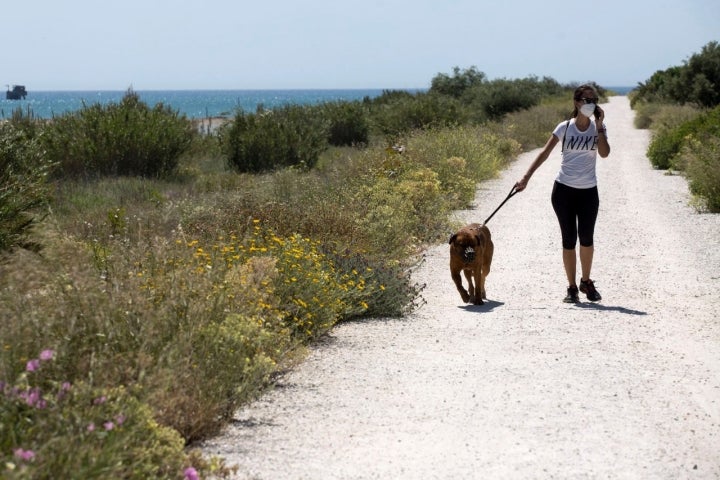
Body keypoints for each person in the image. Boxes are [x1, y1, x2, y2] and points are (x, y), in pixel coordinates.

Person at [515, 84, 611, 303]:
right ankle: (572, 287)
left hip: (589, 191)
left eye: (593, 99)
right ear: (577, 102)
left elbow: (604, 154)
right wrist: (525, 179)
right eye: (587, 100)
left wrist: (599, 125)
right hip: (563, 192)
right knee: (569, 240)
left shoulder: (598, 128)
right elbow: (544, 153)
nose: (591, 103)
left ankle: (586, 282)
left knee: (586, 239)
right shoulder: (565, 127)